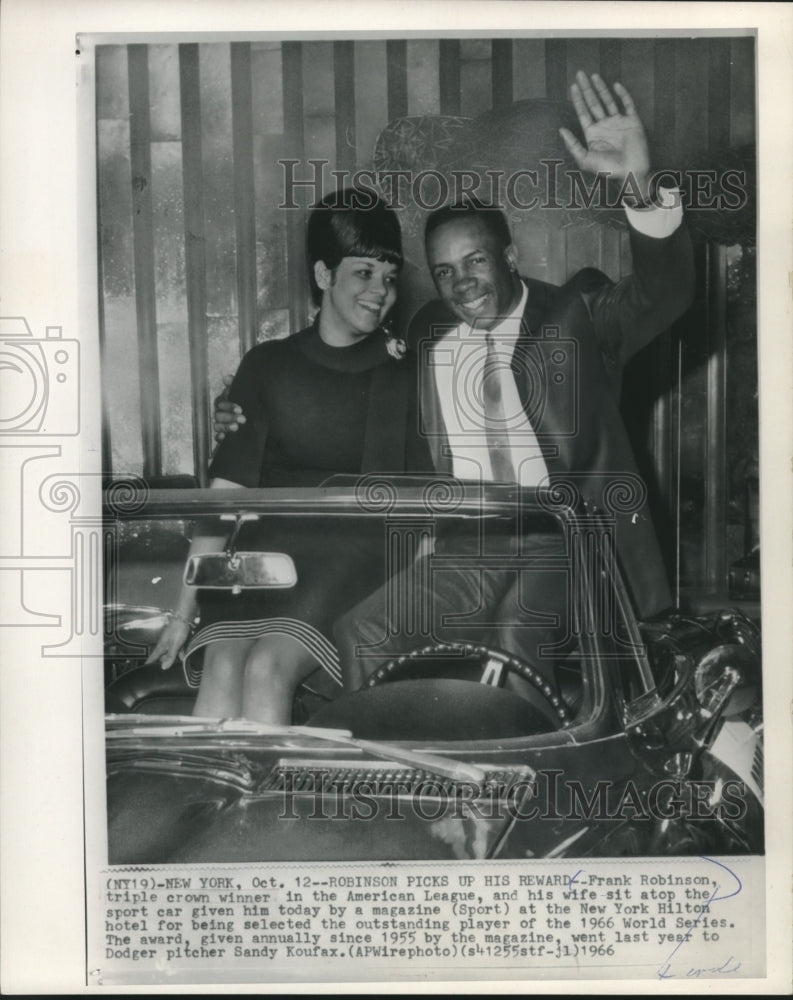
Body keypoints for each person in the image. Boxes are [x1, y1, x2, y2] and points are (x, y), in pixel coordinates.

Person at [214, 72, 695, 693]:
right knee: (365, 635)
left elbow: (667, 292)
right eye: (444, 272)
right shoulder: (427, 333)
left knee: (521, 634)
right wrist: (236, 410)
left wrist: (637, 183)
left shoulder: (578, 316)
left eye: (476, 261)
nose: (462, 282)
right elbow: (340, 378)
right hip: (466, 544)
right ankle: (381, 785)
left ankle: (528, 786)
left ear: (510, 257)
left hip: (567, 539)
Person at [144, 189, 432, 724]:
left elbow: (412, 517)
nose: (380, 292)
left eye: (389, 276)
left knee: (266, 668)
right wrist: (182, 612)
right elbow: (224, 497)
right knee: (224, 666)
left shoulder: (402, 372)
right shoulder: (267, 364)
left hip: (350, 555)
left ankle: (267, 810)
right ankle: (210, 804)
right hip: (265, 559)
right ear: (323, 275)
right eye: (363, 273)